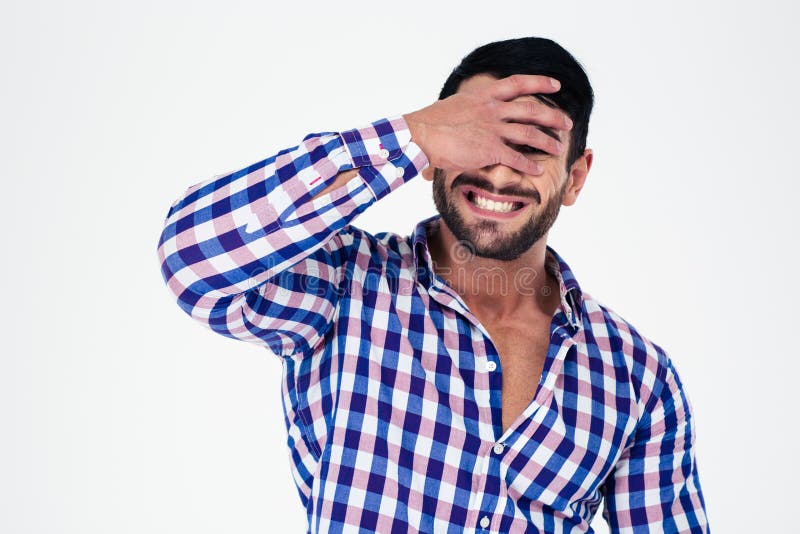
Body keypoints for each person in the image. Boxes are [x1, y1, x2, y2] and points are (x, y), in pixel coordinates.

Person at [156, 37, 709, 533]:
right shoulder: (342, 283)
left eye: (534, 150)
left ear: (575, 178)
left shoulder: (638, 376)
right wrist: (409, 134)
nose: (499, 171)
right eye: (478, 140)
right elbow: (191, 258)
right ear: (434, 156)